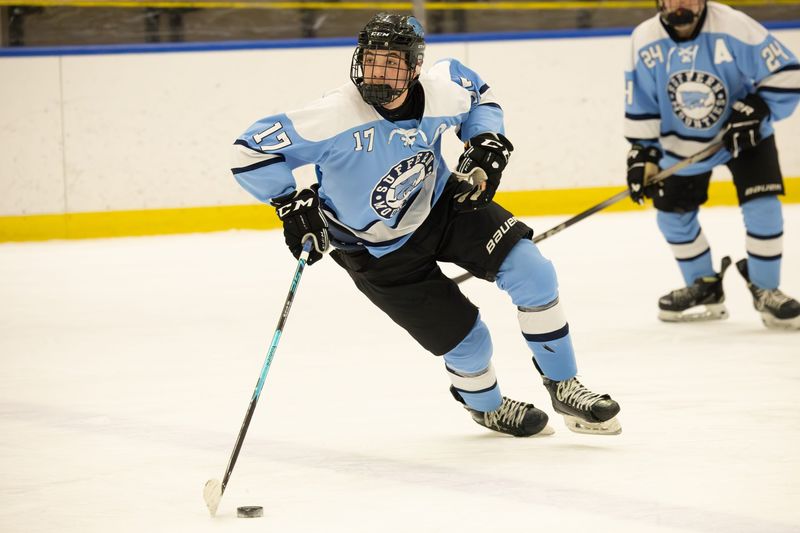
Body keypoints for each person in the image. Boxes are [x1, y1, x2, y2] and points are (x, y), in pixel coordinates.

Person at [231, 13, 621, 437]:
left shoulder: (440, 91)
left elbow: (479, 97)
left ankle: (564, 384)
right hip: (374, 249)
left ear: (415, 66)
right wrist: (289, 203)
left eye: (391, 63)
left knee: (533, 272)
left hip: (443, 206)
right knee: (470, 343)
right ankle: (487, 407)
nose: (377, 73)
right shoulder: (334, 115)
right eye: (371, 60)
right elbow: (250, 150)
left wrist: (485, 140)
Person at [624, 0, 800, 330]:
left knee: (764, 207)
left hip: (745, 138)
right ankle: (704, 286)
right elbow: (642, 102)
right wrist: (641, 154)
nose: (681, 3)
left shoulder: (733, 25)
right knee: (672, 215)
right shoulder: (643, 38)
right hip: (681, 144)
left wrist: (757, 107)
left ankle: (766, 288)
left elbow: (788, 74)